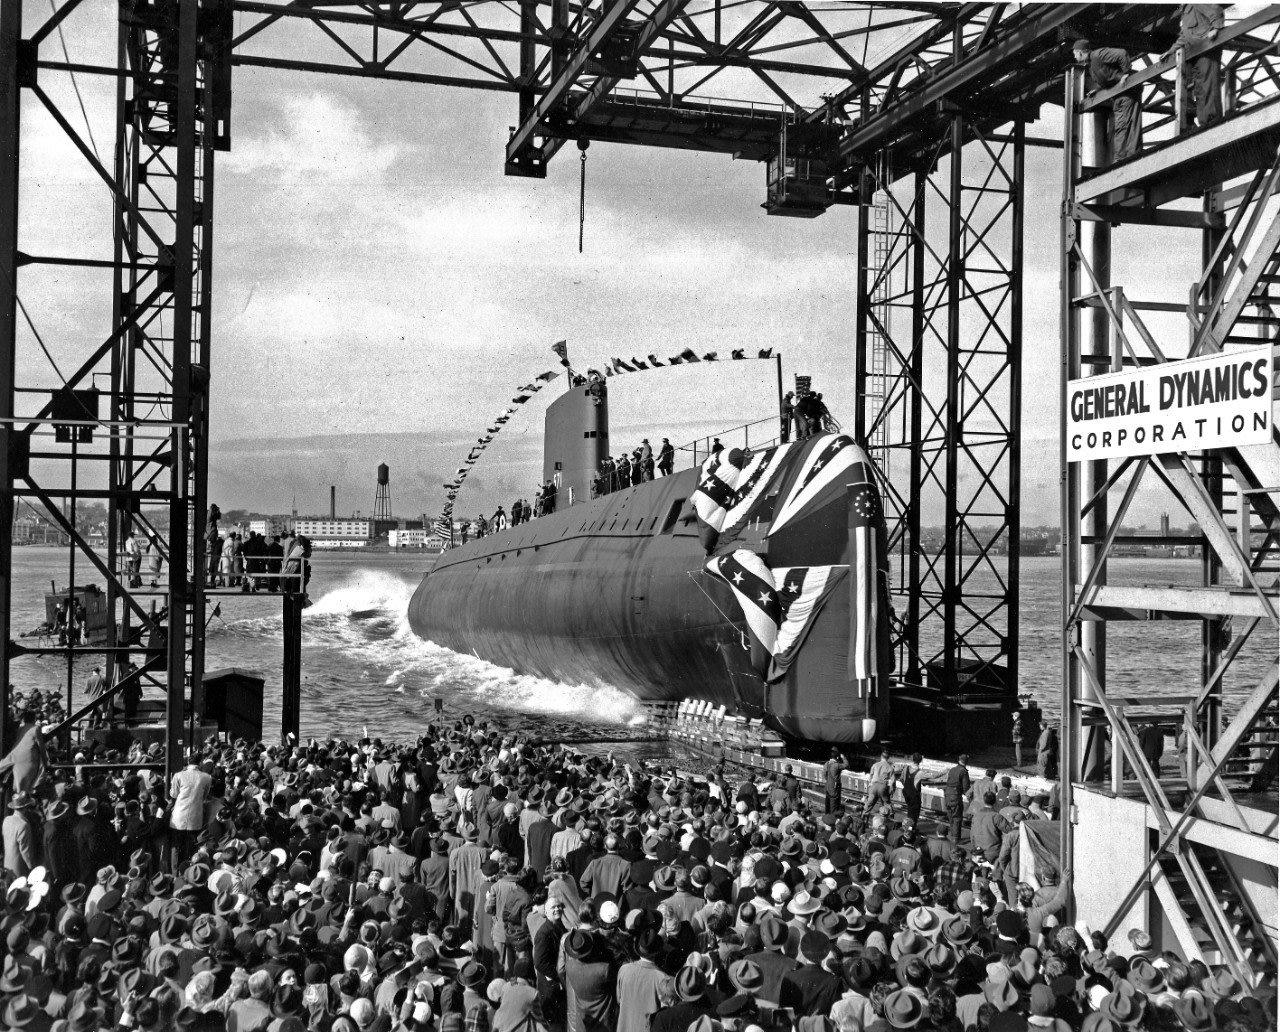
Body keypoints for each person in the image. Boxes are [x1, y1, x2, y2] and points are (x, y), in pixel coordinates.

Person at [1073, 39, 1141, 161]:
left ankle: (1130, 156)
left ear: (1081, 52)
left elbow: (1122, 53)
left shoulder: (1098, 55)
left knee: (1128, 122)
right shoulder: (1091, 66)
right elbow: (1109, 77)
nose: (1074, 56)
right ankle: (1122, 157)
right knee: (1121, 125)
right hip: (1118, 95)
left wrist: (1126, 72)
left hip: (1128, 90)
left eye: (1075, 53)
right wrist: (1098, 89)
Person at [1169, 4, 1225, 129]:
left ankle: (1212, 120)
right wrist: (1170, 51)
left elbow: (1215, 9)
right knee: (1200, 87)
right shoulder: (1185, 10)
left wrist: (1215, 28)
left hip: (1207, 49)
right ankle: (1204, 122)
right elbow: (1185, 36)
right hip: (1196, 53)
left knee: (1208, 83)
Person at [168, 750, 212, 863]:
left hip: (178, 817)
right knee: (191, 847)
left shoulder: (178, 775)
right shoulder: (206, 777)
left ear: (188, 761)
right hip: (195, 817)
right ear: (200, 763)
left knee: (176, 847)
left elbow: (173, 794)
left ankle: (175, 874)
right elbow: (205, 795)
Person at [943, 754, 971, 844]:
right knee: (957, 817)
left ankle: (952, 835)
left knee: (950, 816)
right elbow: (966, 787)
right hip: (955, 796)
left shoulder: (952, 769)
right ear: (966, 762)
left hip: (947, 795)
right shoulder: (963, 771)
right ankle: (956, 838)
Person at [822, 748, 845, 814]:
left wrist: (828, 780)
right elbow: (846, 765)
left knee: (827, 803)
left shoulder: (827, 763)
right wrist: (843, 757)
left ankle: (827, 817)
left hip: (828, 787)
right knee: (834, 805)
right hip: (835, 789)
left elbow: (824, 774)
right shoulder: (837, 765)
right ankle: (833, 817)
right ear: (837, 756)